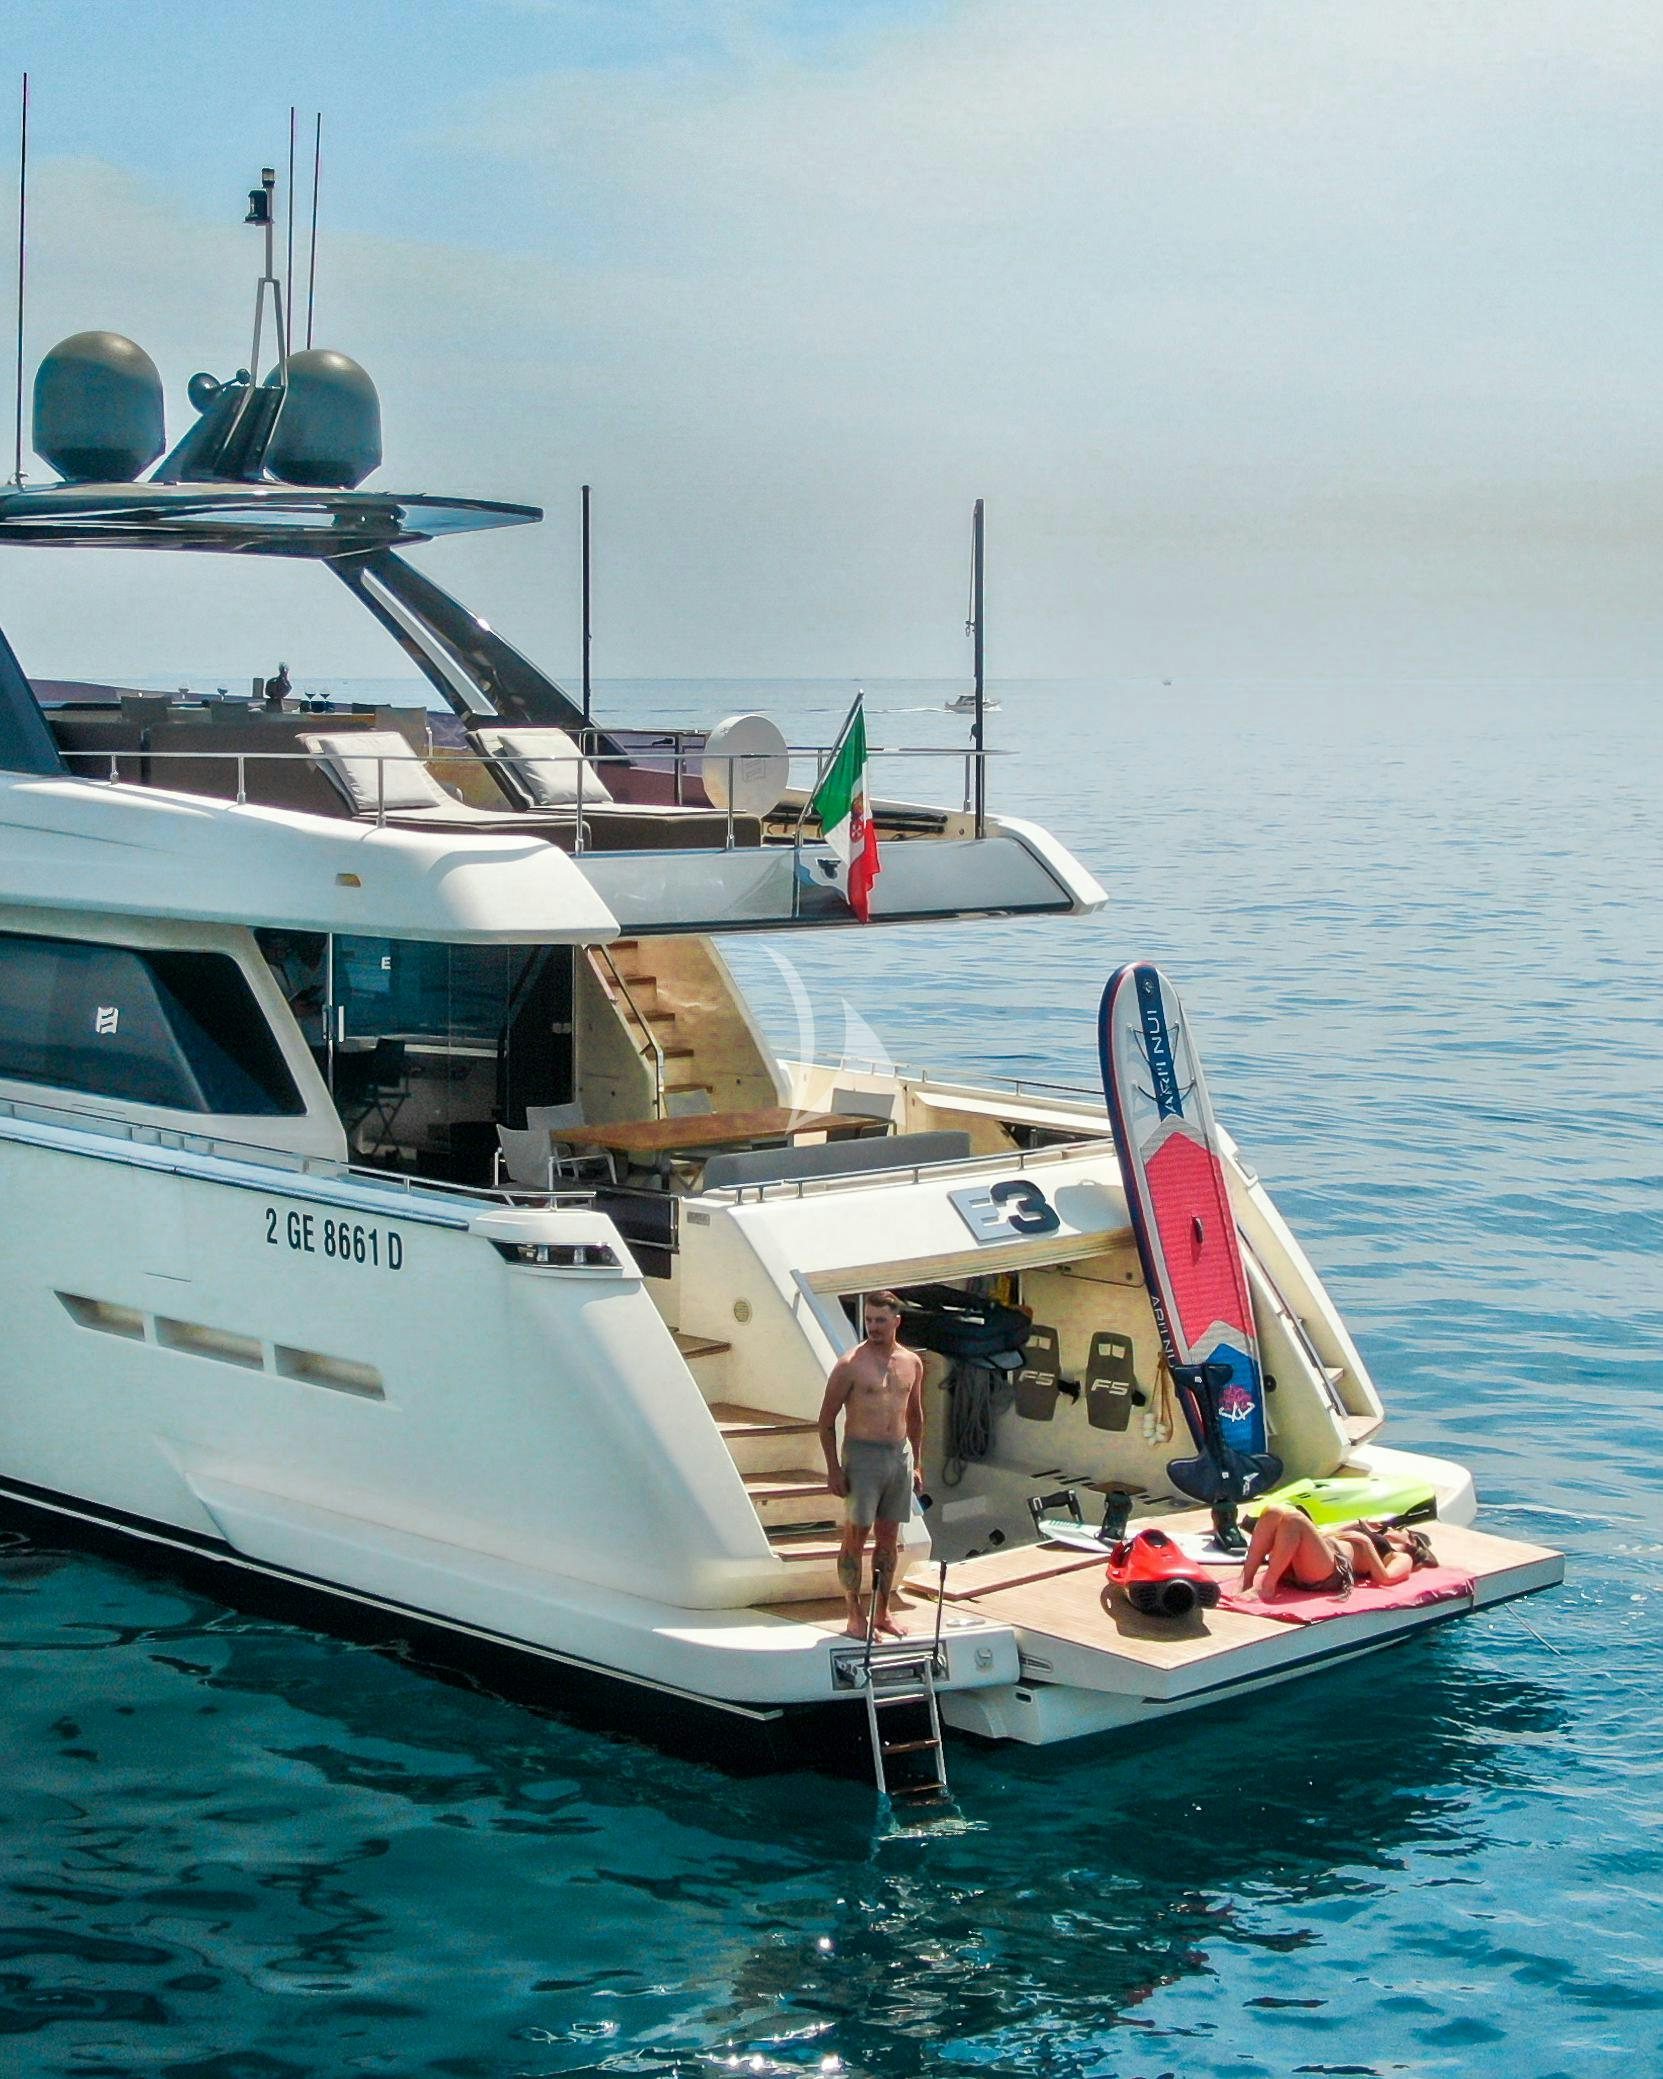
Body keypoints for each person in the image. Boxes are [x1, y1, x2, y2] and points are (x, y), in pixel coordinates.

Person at [817, 1290, 925, 1640]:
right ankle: (853, 1614)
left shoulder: (912, 1363)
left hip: (898, 1454)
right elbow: (826, 1420)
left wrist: (918, 1463)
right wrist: (833, 1469)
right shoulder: (851, 1364)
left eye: (881, 1320)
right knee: (855, 1536)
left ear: (896, 1321)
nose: (874, 1327)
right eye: (869, 1320)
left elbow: (916, 1414)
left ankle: (882, 1611)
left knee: (889, 1539)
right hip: (862, 1457)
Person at [1238, 1504, 1436, 1601]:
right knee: (1274, 1511)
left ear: (1412, 1541)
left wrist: (1366, 1543)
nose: (1397, 1530)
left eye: (1404, 1531)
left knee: (1294, 1520)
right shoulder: (1375, 1530)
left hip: (1331, 1571)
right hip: (1318, 1555)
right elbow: (1324, 1534)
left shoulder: (1401, 1556)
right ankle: (1246, 1581)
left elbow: (1386, 1578)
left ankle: (1267, 1588)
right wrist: (1358, 1526)